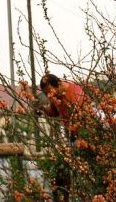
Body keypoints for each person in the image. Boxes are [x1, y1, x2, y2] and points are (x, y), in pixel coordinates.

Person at [38, 74, 85, 202]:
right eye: (46, 93)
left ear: (59, 84)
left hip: (85, 135)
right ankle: (62, 197)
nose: (49, 96)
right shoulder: (55, 96)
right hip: (70, 135)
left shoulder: (75, 93)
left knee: (72, 166)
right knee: (60, 167)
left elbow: (79, 116)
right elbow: (54, 112)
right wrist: (42, 109)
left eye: (49, 91)